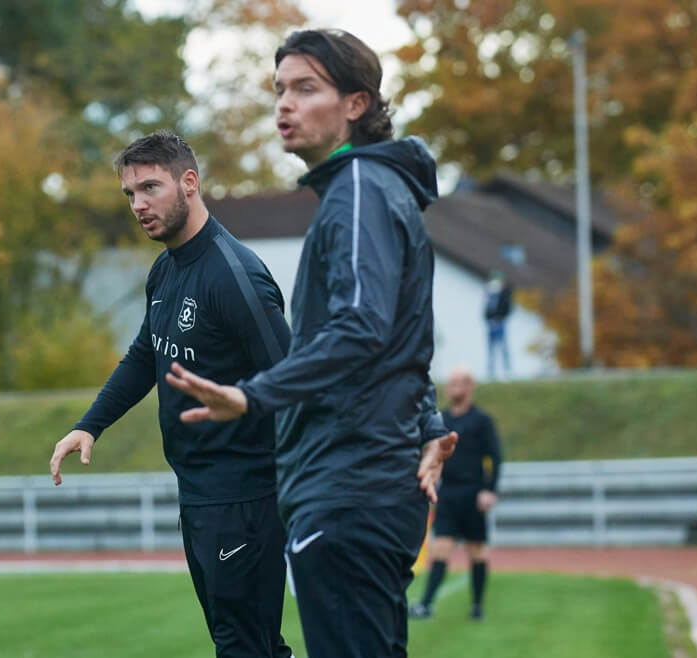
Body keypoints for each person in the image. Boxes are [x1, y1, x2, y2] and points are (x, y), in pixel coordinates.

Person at [164, 30, 459, 658]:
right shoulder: (371, 191)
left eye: (305, 89)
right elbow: (394, 334)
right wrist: (428, 418)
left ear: (356, 103)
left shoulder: (359, 193)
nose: (284, 106)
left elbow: (360, 328)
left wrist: (252, 396)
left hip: (350, 485)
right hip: (361, 480)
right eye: (279, 91)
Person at [49, 131, 294, 658]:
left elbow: (293, 380)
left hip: (245, 497)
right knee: (250, 646)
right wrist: (90, 423)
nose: (139, 205)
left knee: (243, 646)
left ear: (189, 183)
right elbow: (146, 357)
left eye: (150, 188)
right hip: (200, 493)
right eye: (130, 194)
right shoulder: (166, 269)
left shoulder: (235, 277)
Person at [409, 366, 502, 621]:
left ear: (469, 386)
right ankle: (426, 604)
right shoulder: (442, 419)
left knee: (477, 551)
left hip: (474, 494)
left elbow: (494, 457)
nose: (452, 388)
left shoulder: (481, 420)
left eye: (458, 383)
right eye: (449, 383)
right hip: (448, 493)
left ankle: (477, 606)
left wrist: (489, 490)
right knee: (440, 548)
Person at [484, 271, 513, 379]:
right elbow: (487, 310)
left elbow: (507, 307)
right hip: (491, 323)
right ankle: (491, 372)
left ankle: (506, 371)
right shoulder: (489, 294)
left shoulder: (504, 294)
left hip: (500, 322)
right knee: (491, 349)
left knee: (503, 347)